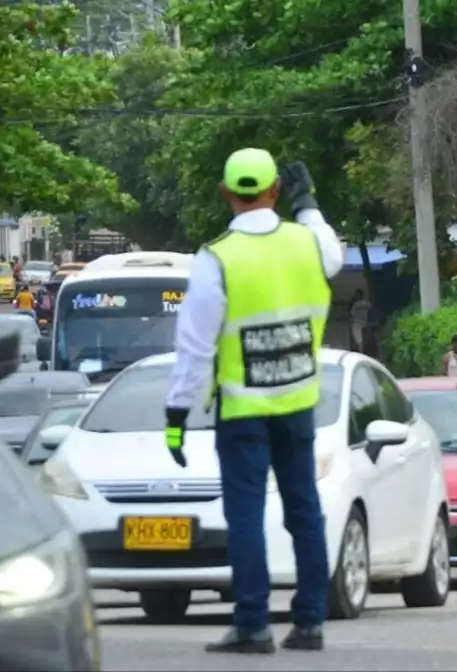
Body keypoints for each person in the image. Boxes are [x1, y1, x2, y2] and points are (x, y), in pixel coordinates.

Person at [163, 149, 344, 654]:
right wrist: (308, 204)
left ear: (225, 193)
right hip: (298, 404)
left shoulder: (216, 257)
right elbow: (331, 250)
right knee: (304, 508)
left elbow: (195, 349)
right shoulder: (308, 243)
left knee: (245, 516)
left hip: (242, 413)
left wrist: (177, 415)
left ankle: (252, 623)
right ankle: (309, 622)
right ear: (276, 191)